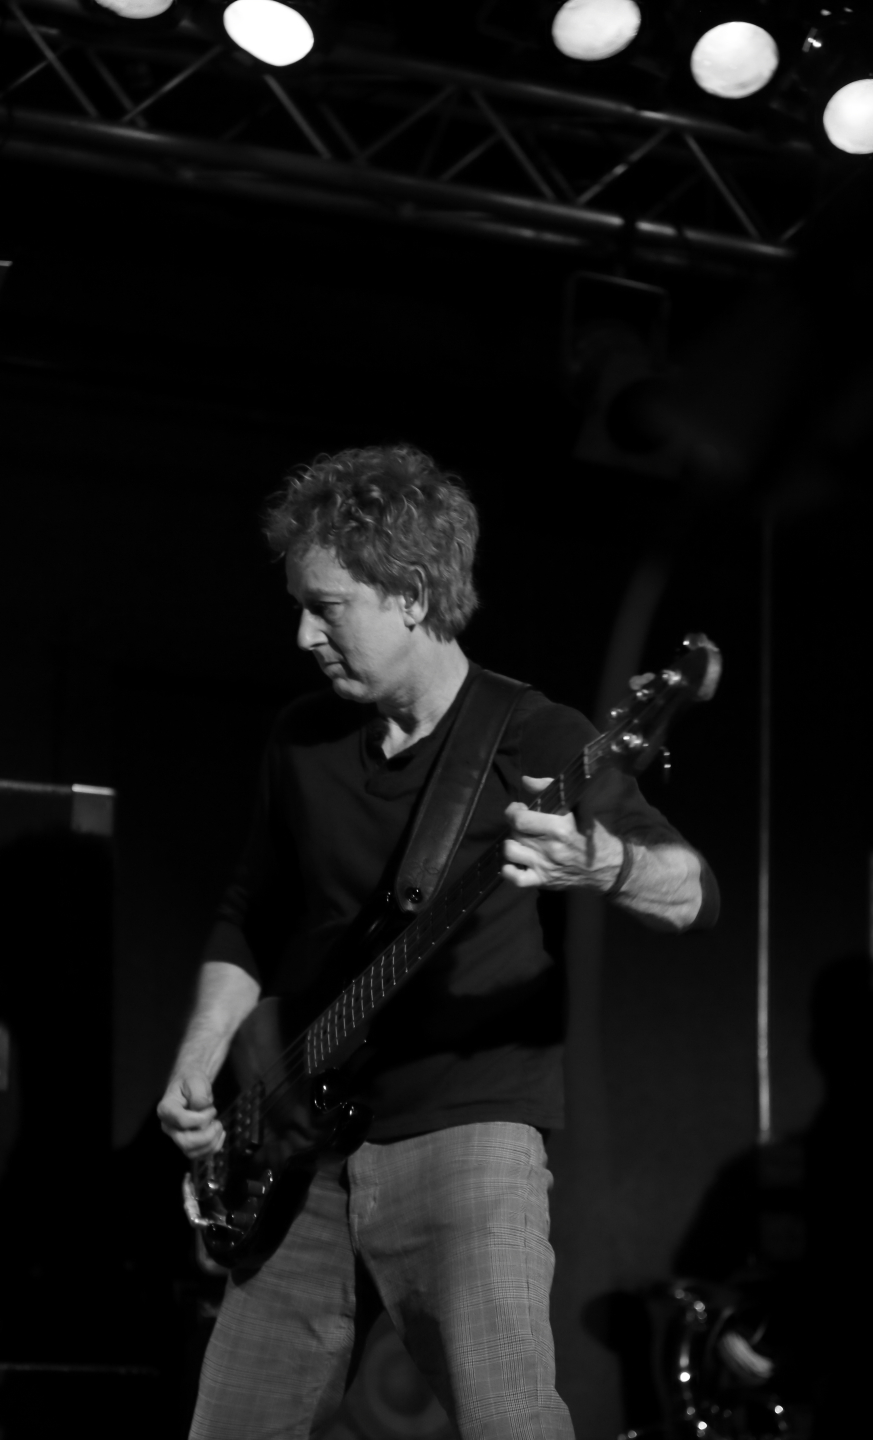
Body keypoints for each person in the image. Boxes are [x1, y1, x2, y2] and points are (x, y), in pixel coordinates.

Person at [157, 444, 718, 1440]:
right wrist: (202, 1059)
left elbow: (694, 895)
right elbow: (250, 911)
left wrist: (607, 864)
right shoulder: (301, 739)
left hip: (467, 1133)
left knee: (511, 1422)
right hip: (298, 1148)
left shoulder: (537, 738)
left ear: (413, 596)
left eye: (327, 608)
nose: (302, 634)